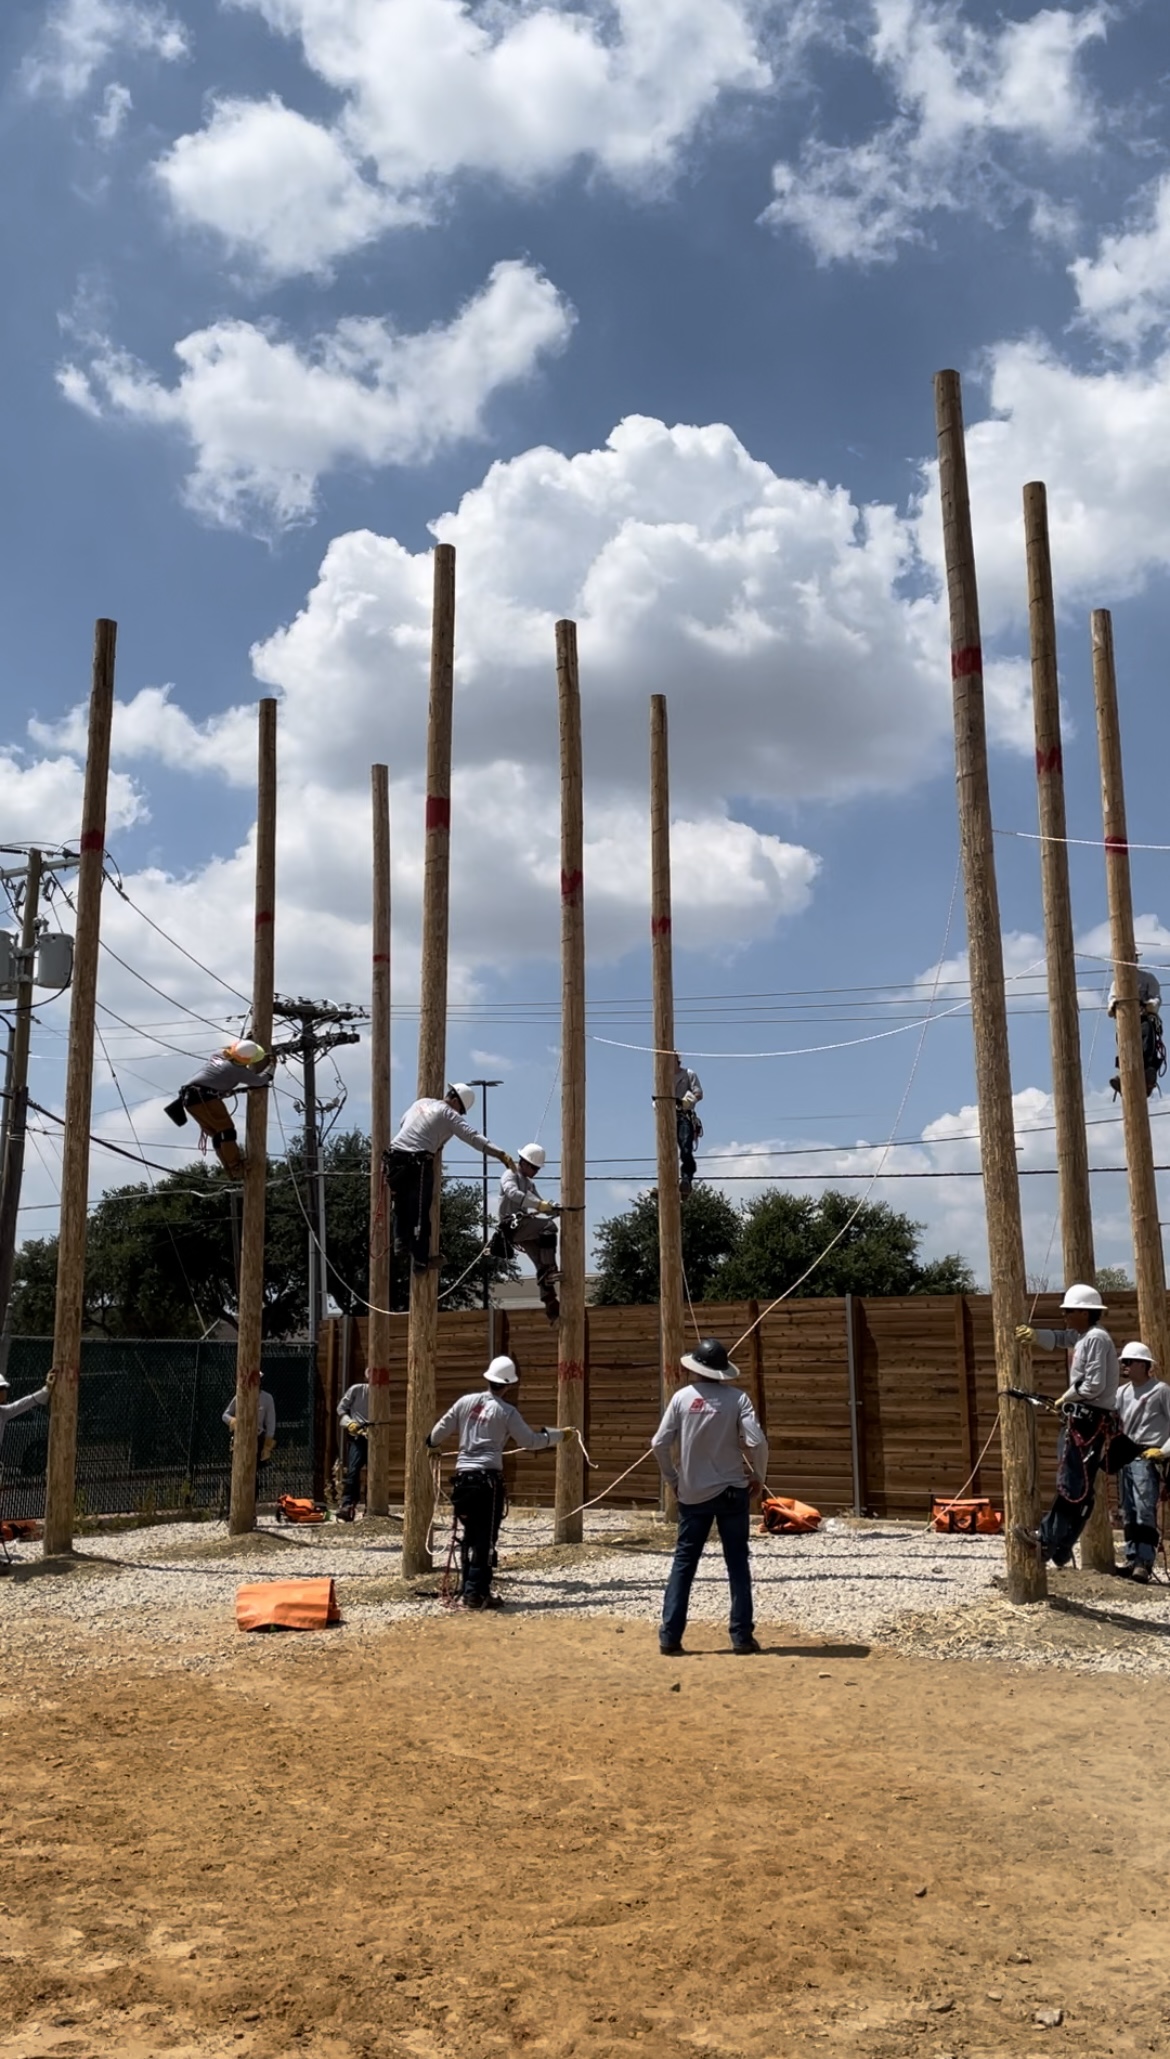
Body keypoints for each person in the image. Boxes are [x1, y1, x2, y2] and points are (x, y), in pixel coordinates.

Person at [652, 1337, 768, 1656]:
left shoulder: (681, 1399)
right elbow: (756, 1442)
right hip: (732, 1491)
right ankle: (741, 1637)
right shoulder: (738, 1399)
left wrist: (671, 1478)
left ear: (695, 1368)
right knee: (737, 1564)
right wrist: (759, 1476)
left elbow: (659, 1443)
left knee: (684, 1563)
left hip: (692, 1494)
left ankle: (670, 1636)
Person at [425, 1355, 566, 1609]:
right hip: (487, 1482)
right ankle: (476, 1594)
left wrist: (432, 1445)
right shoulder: (506, 1412)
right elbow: (530, 1442)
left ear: (489, 1379)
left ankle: (469, 1588)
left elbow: (440, 1429)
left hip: (463, 1482)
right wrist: (557, 1436)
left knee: (468, 1536)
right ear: (508, 1385)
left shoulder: (465, 1402)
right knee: (485, 1539)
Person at [1015, 1284, 1120, 1568]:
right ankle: (1062, 1546)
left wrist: (1066, 1397)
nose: (1064, 1315)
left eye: (1068, 1310)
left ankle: (1047, 1539)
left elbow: (1094, 1384)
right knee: (1079, 1486)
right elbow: (1063, 1337)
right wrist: (1037, 1336)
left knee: (1072, 1485)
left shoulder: (1096, 1338)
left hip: (1087, 1420)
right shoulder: (1085, 1336)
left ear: (1084, 1312)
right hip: (1088, 1419)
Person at [384, 1084, 514, 1273]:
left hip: (394, 1158)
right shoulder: (448, 1114)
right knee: (420, 1213)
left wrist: (433, 1139)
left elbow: (405, 1122)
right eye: (461, 1110)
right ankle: (421, 1262)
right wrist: (501, 1154)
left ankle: (400, 1241)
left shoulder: (422, 1102)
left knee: (402, 1203)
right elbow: (473, 1137)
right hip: (416, 1162)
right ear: (455, 1101)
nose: (459, 1113)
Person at [164, 1039, 274, 1174]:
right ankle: (235, 1166)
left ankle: (230, 1169)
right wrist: (272, 1065)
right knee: (226, 1131)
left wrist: (247, 1040)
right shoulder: (237, 1070)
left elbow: (227, 1051)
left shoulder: (219, 1053)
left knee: (217, 1134)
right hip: (203, 1098)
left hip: (189, 1099)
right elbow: (261, 1081)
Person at [1114, 1342, 1170, 1584]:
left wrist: (1164, 1451)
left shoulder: (1161, 1391)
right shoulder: (1121, 1393)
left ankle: (1144, 1563)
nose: (1124, 1366)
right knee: (1128, 1510)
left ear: (1143, 1365)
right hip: (1126, 1455)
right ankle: (1132, 1556)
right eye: (1123, 1362)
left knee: (1145, 1509)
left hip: (1149, 1457)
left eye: (1129, 1362)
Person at [497, 1144, 560, 1323]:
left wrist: (555, 1208)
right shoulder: (510, 1175)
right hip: (511, 1225)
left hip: (523, 1227)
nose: (535, 1172)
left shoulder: (529, 1183)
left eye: (537, 1169)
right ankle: (550, 1271)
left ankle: (550, 1303)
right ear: (523, 1162)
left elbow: (538, 1202)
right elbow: (513, 1193)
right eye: (533, 1167)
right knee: (549, 1227)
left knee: (540, 1262)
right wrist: (540, 1206)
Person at [1107, 959, 1164, 1098]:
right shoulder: (1117, 983)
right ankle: (1123, 1074)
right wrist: (1115, 1006)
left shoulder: (1148, 978)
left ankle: (1147, 1070)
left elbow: (1156, 999)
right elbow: (1112, 1000)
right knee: (1124, 1045)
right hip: (1125, 1021)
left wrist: (1147, 1005)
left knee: (1146, 1038)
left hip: (1145, 1019)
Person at [222, 1378, 277, 1496]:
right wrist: (234, 1421)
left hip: (257, 1439)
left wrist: (267, 1447)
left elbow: (270, 1423)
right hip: (240, 1439)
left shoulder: (267, 1399)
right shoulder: (240, 1396)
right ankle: (231, 1507)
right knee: (236, 1474)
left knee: (251, 1475)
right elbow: (225, 1415)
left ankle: (251, 1508)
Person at [335, 1377, 371, 1521]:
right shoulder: (357, 1389)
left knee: (375, 1473)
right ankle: (348, 1504)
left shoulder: (382, 1391)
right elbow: (341, 1409)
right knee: (353, 1471)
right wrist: (350, 1423)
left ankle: (371, 1506)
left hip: (376, 1435)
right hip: (358, 1435)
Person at [672, 1055, 703, 1199]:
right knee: (666, 1153)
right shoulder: (662, 1076)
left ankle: (686, 1181)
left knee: (685, 1149)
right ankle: (668, 1185)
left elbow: (698, 1093)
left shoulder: (688, 1074)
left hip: (684, 1115)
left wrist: (687, 1101)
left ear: (676, 1060)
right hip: (667, 1117)